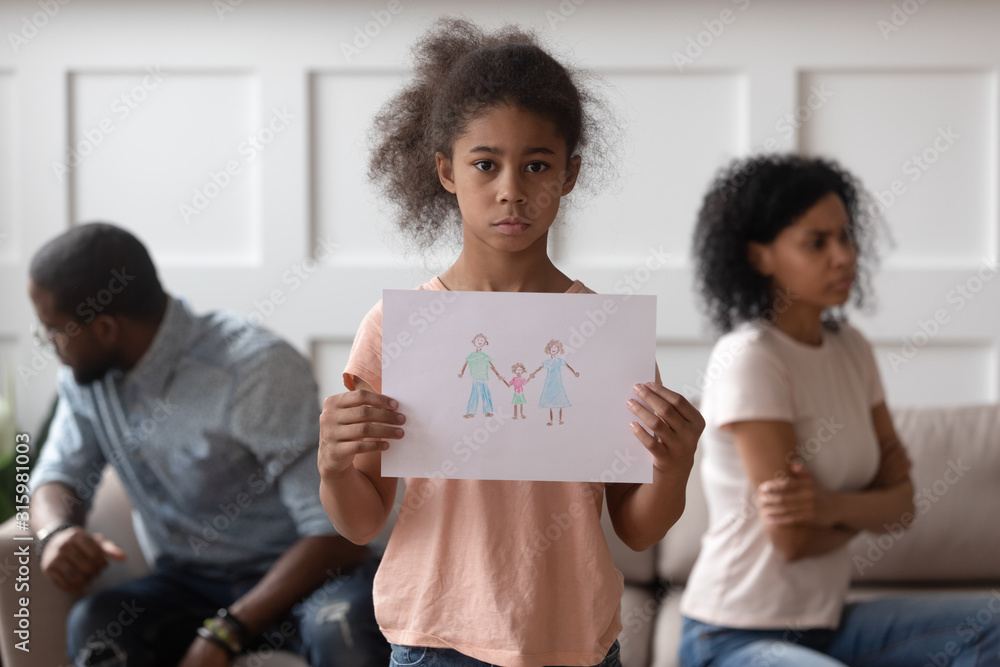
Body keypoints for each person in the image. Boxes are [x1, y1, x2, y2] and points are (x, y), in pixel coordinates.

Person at [317, 17, 703, 667]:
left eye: (537, 165)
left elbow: (635, 527)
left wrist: (675, 464)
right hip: (435, 636)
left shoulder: (605, 334)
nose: (511, 191)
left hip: (575, 639)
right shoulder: (395, 329)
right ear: (446, 170)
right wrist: (331, 462)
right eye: (486, 164)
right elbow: (360, 521)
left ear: (570, 174)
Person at [679, 154, 999, 666]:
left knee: (992, 625)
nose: (844, 256)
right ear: (760, 256)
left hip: (827, 625)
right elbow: (792, 539)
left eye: (845, 237)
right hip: (732, 636)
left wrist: (828, 506)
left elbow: (905, 504)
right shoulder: (751, 359)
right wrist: (871, 502)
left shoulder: (852, 349)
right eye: (817, 242)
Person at [26, 222, 388, 666]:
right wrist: (56, 533)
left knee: (341, 623)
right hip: (189, 584)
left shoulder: (255, 368)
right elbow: (58, 474)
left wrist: (226, 631)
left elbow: (335, 535)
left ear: (104, 328)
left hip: (307, 580)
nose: (51, 345)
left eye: (54, 331)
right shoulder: (88, 379)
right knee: (99, 622)